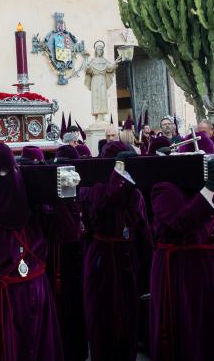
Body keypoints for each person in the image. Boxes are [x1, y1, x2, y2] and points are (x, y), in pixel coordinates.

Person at [0, 143, 81, 360]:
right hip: (0, 304)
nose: (7, 178)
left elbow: (68, 234)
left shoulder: (32, 206)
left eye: (10, 171)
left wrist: (62, 200)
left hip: (39, 295)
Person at [149, 151, 214, 360]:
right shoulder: (164, 188)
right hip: (184, 274)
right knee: (192, 338)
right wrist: (209, 188)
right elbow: (183, 223)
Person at [80, 150, 152, 360]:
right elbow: (106, 203)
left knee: (128, 315)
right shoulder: (94, 189)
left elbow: (142, 229)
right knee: (103, 315)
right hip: (102, 258)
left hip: (127, 258)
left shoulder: (136, 193)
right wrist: (119, 177)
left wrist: (145, 267)